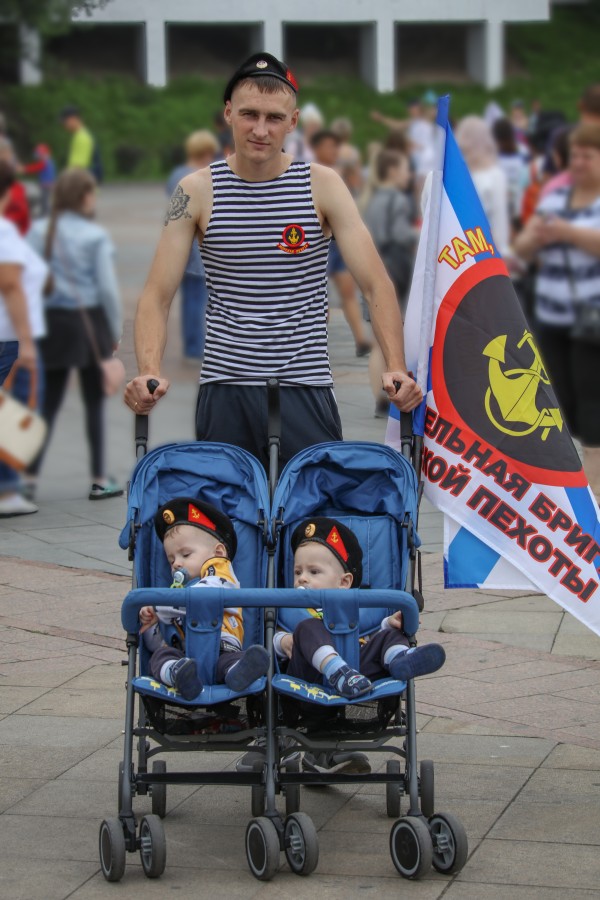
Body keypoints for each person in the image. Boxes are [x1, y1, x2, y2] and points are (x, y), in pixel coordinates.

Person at [125, 51, 422, 471]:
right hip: (226, 387)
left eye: (274, 118)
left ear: (293, 121)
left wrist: (396, 367)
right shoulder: (196, 190)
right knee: (225, 511)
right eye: (249, 114)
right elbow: (157, 295)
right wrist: (148, 371)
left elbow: (375, 283)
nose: (260, 130)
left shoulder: (322, 185)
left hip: (305, 385)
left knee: (315, 509)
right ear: (228, 113)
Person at [273, 517, 445, 773]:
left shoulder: (357, 606)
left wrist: (390, 624)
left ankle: (401, 660)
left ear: (344, 582)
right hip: (310, 676)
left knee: (389, 634)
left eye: (314, 572)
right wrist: (284, 641)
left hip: (358, 673)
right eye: (298, 572)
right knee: (308, 629)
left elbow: (370, 637)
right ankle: (336, 670)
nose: (302, 579)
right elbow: (275, 638)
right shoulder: (293, 610)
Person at [513, 123, 600, 497]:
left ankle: (593, 498)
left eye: (588, 156)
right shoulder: (555, 197)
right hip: (551, 320)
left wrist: (568, 233)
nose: (578, 162)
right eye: (575, 155)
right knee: (561, 407)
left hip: (593, 325)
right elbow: (522, 247)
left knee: (593, 407)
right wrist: (534, 238)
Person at [27, 168, 123, 500]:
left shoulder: (38, 231)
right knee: (94, 402)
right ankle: (99, 477)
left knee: (48, 404)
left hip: (51, 323)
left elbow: (28, 282)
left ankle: (28, 477)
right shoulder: (94, 236)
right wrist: (115, 330)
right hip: (88, 323)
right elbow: (107, 290)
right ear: (83, 196)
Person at [139, 496, 270, 700]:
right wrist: (151, 624)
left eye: (186, 554)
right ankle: (176, 674)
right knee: (160, 656)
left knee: (231, 661)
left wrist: (160, 605)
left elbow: (201, 596)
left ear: (218, 552)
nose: (176, 564)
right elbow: (158, 643)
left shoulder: (220, 574)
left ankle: (237, 672)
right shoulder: (176, 594)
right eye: (171, 560)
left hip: (222, 648)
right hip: (186, 658)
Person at [0, 160, 47, 517]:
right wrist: (28, 344)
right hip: (10, 338)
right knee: (12, 415)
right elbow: (11, 285)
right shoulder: (3, 231)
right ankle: (5, 489)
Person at [362, 149, 417, 417]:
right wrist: (420, 233)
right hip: (394, 272)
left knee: (377, 342)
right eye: (406, 169)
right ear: (393, 170)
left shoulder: (371, 199)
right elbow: (399, 233)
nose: (409, 175)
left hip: (371, 267)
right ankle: (395, 392)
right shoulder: (397, 198)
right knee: (396, 336)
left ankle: (379, 400)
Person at [310, 129, 372, 358]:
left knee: (347, 291)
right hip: (318, 242)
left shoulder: (342, 173)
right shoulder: (310, 174)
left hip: (340, 241)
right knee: (317, 297)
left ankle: (361, 339)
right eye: (328, 146)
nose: (333, 150)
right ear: (317, 148)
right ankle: (314, 341)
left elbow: (359, 191)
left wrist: (353, 170)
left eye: (335, 146)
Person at [166, 130, 219, 363]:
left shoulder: (177, 174)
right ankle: (196, 345)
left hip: (179, 244)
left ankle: (191, 343)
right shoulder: (202, 176)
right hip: (199, 246)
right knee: (198, 298)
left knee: (190, 297)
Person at [454, 115, 511, 258]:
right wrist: (502, 251)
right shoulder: (495, 175)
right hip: (486, 251)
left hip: (456, 252)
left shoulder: (453, 174)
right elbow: (499, 219)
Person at [59, 106, 102, 182]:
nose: (63, 125)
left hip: (81, 186)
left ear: (72, 119)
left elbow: (77, 168)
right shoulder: (80, 135)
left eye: (65, 121)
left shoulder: (81, 137)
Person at [21, 143, 56, 217]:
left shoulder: (44, 163)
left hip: (46, 185)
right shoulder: (50, 161)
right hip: (50, 184)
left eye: (39, 155)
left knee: (44, 199)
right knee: (45, 199)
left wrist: (24, 169)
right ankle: (45, 213)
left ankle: (45, 214)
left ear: (43, 154)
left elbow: (35, 168)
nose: (38, 157)